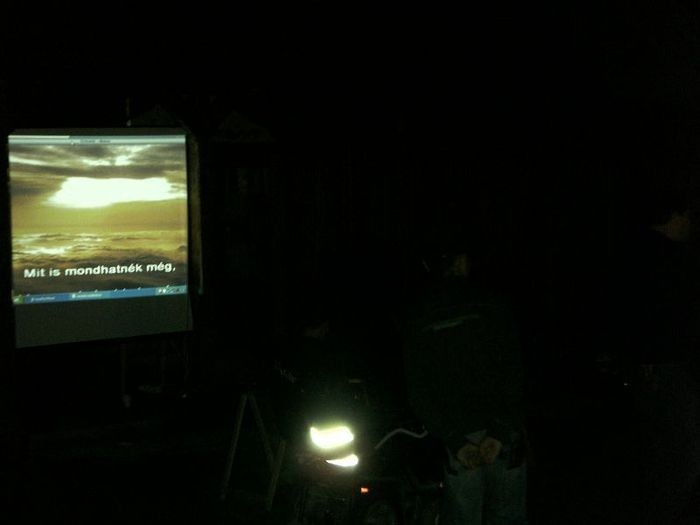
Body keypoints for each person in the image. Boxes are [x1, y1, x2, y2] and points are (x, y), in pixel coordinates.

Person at [401, 250, 528, 525]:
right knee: (508, 517)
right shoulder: (492, 302)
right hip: (502, 437)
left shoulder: (419, 314)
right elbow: (515, 371)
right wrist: (501, 430)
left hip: (459, 440)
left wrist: (454, 440)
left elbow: (418, 390)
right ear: (460, 262)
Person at [616, 185, 700, 524]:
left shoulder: (636, 255)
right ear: (674, 216)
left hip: (652, 368)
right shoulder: (666, 261)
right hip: (666, 368)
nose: (690, 223)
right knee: (683, 450)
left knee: (660, 447)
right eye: (687, 216)